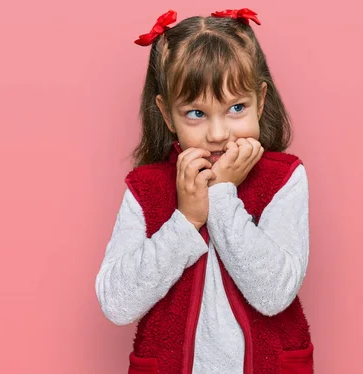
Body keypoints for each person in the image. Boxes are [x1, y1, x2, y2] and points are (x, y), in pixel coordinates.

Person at [95, 8, 313, 374]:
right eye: (196, 114)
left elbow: (274, 293)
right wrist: (186, 220)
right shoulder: (145, 189)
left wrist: (223, 195)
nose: (217, 134)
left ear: (261, 100)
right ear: (167, 115)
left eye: (236, 108)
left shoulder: (284, 179)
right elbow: (117, 304)